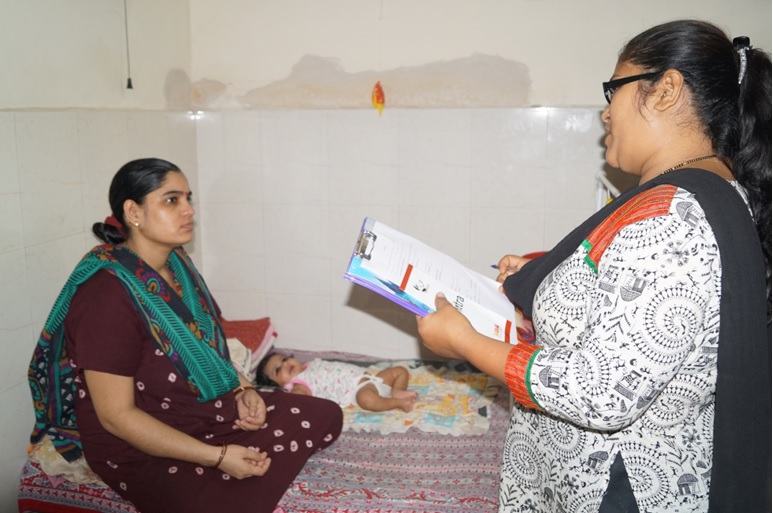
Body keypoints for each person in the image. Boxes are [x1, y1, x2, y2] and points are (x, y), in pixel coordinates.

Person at [416, 20, 770, 513]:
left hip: (616, 487)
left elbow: (600, 391)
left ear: (666, 90)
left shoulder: (672, 217)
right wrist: (547, 278)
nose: (605, 112)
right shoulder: (695, 195)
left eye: (613, 89)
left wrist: (463, 342)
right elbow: (629, 296)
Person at [27, 158, 343, 513]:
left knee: (326, 415)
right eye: (171, 200)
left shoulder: (178, 264)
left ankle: (229, 464)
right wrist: (218, 457)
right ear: (133, 212)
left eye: (187, 199)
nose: (189, 210)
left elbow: (208, 347)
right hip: (140, 441)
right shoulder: (106, 296)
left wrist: (243, 390)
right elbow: (116, 416)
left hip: (202, 411)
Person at [256, 352, 419, 412]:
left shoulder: (309, 364)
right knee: (367, 400)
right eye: (278, 370)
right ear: (277, 385)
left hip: (371, 378)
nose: (285, 364)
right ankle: (396, 402)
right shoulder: (299, 385)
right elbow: (299, 402)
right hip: (357, 390)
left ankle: (397, 391)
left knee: (400, 370)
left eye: (284, 359)